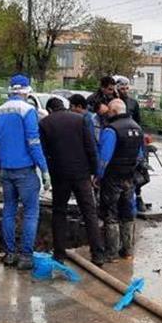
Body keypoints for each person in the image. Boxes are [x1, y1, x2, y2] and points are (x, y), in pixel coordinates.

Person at [0, 74, 50, 270]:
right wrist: (44, 169)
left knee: (8, 211)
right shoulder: (28, 110)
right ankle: (25, 256)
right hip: (25, 170)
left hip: (6, 170)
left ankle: (9, 254)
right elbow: (33, 142)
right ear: (27, 91)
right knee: (31, 212)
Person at [39, 97, 105, 266]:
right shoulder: (80, 119)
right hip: (81, 174)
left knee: (59, 212)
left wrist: (47, 173)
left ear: (50, 110)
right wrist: (94, 172)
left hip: (59, 175)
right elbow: (90, 147)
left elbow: (44, 151)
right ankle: (98, 254)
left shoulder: (45, 123)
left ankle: (59, 254)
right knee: (89, 212)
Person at [97, 99, 143, 262]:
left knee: (111, 214)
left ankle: (111, 253)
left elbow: (104, 157)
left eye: (109, 111)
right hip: (129, 178)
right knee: (127, 213)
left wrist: (98, 175)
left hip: (112, 178)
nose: (107, 114)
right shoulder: (137, 128)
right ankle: (128, 250)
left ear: (114, 111)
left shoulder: (111, 130)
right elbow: (140, 155)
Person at [114, 75, 148, 213]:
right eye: (122, 87)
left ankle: (138, 197)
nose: (125, 90)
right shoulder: (113, 102)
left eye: (127, 87)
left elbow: (139, 124)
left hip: (133, 140)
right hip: (118, 140)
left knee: (138, 170)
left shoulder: (133, 103)